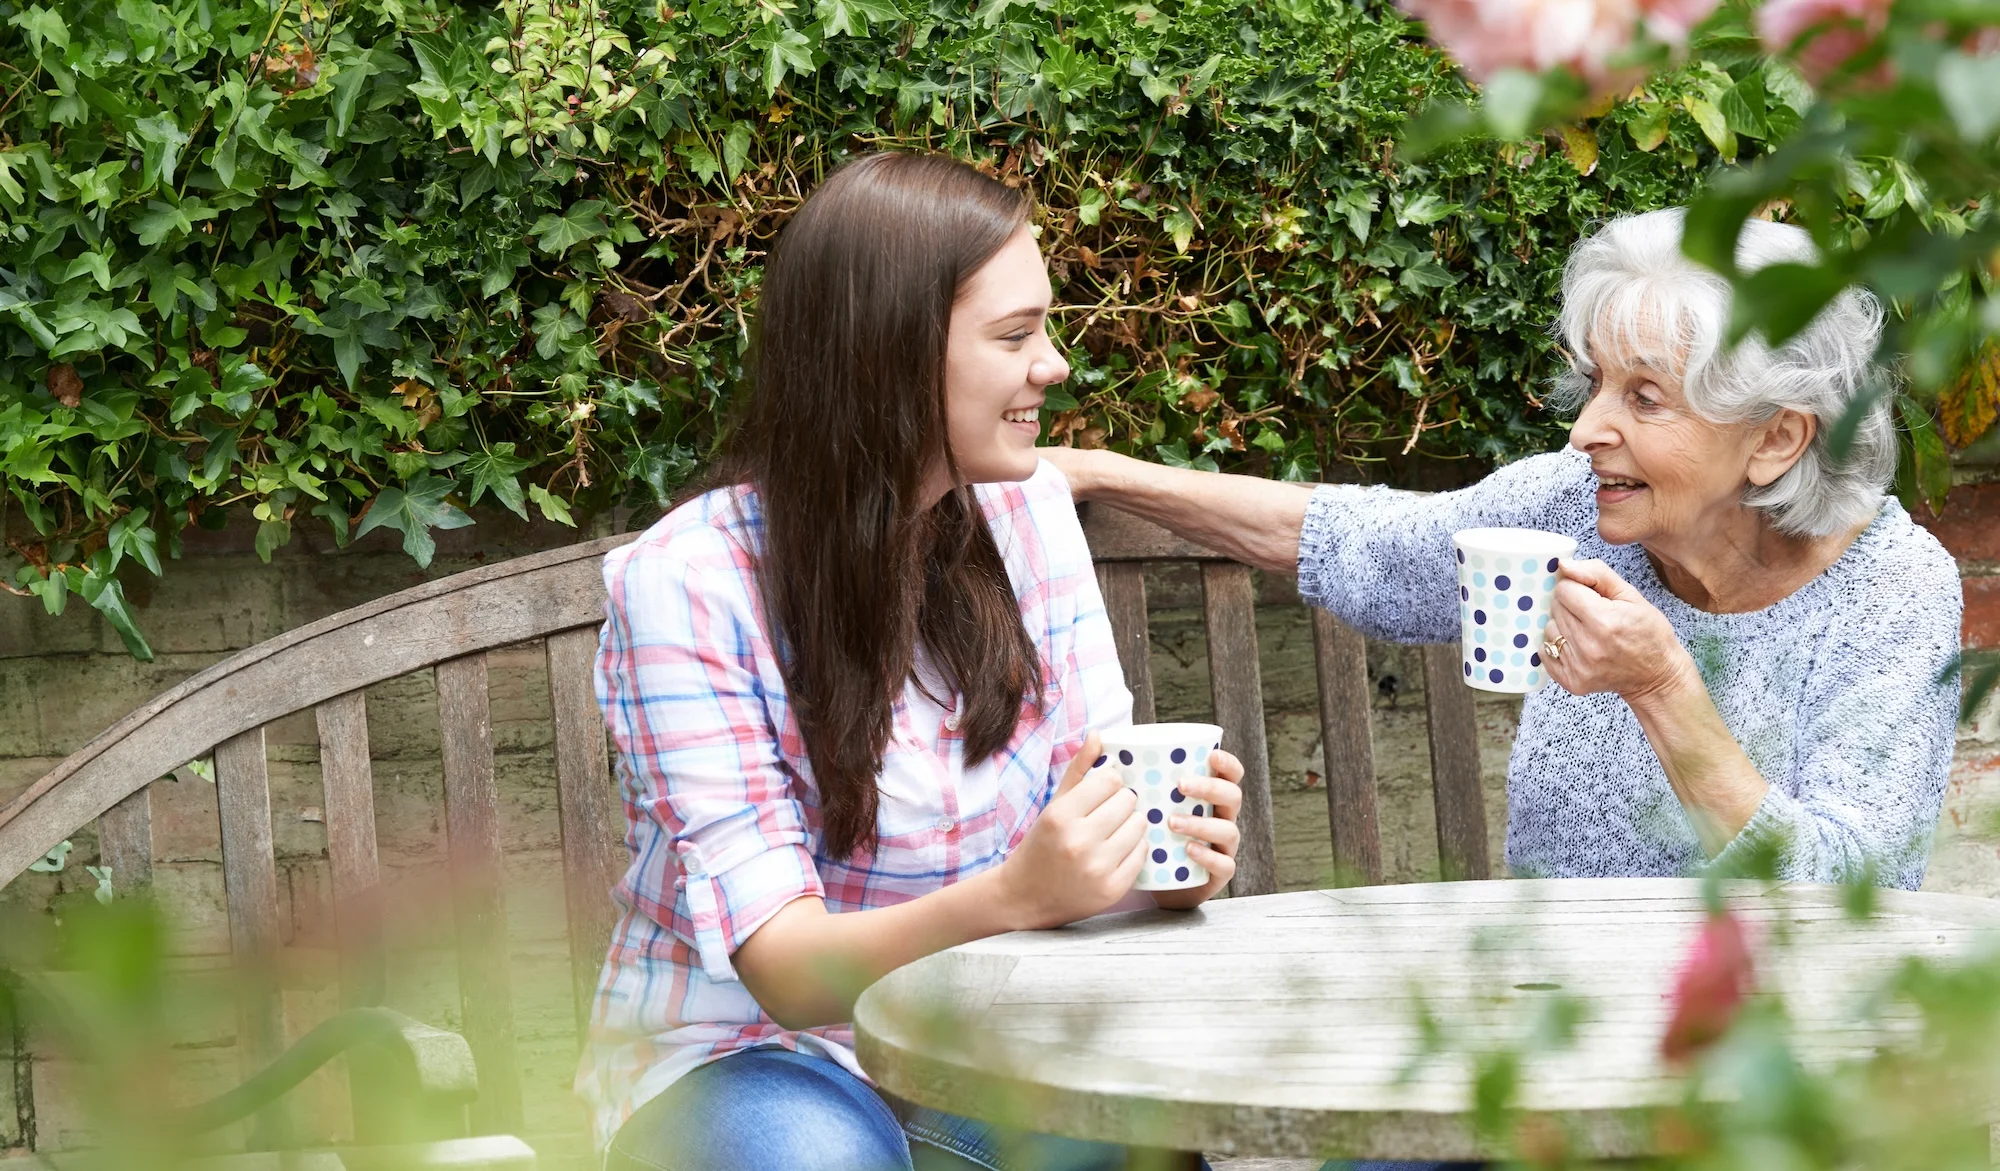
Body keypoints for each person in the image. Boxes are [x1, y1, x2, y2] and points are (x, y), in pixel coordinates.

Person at [576, 152, 1245, 1171]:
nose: (1054, 363)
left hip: (982, 1039)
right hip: (749, 1056)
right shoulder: (688, 582)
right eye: (1014, 335)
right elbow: (786, 970)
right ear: (885, 354)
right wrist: (1016, 897)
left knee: (1140, 1140)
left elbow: (1086, 817)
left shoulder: (1025, 520)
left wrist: (1152, 861)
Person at [1048, 207, 1963, 897]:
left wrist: (1663, 690)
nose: (1584, 429)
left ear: (1775, 439)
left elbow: (1855, 897)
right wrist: (1101, 472)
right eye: (1597, 381)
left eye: (1645, 398)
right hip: (1543, 1031)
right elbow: (1360, 542)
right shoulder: (1575, 507)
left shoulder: (1888, 591)